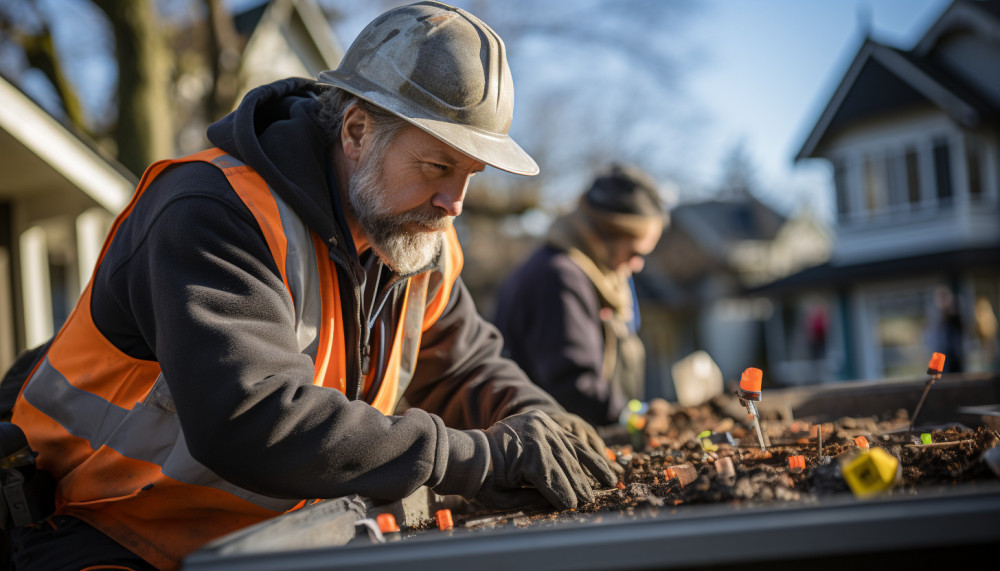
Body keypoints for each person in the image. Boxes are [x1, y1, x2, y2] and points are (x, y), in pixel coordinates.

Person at [4, 3, 618, 569]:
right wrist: (477, 459)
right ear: (356, 131)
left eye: (470, 174)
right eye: (437, 165)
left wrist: (544, 425)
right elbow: (250, 417)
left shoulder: (418, 237)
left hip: (274, 541)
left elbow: (466, 369)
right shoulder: (212, 211)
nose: (453, 202)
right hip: (102, 533)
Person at [493, 164, 667, 431]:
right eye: (634, 252)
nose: (637, 265)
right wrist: (635, 418)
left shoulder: (593, 275)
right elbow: (574, 388)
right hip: (539, 441)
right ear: (605, 234)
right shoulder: (559, 278)